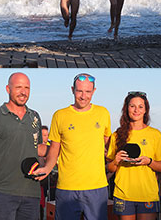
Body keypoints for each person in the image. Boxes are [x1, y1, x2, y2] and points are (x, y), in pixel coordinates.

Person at [34, 73, 112, 220]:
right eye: (79, 91)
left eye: (88, 92)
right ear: (72, 90)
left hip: (96, 188)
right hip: (66, 188)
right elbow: (54, 149)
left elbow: (108, 144)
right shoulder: (59, 115)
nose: (83, 96)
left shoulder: (103, 113)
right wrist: (48, 168)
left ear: (94, 91)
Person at [0, 72, 46, 219]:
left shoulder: (35, 117)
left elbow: (38, 148)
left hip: (31, 194)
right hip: (2, 193)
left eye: (27, 88)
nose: (23, 92)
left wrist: (59, 146)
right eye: (18, 87)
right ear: (8, 89)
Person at [106, 91, 161, 220]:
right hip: (123, 194)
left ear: (146, 110)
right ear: (126, 108)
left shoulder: (155, 134)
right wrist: (116, 160)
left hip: (147, 195)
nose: (136, 110)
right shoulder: (117, 135)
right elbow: (110, 168)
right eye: (132, 106)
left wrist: (149, 161)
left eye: (140, 106)